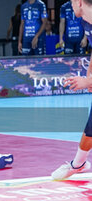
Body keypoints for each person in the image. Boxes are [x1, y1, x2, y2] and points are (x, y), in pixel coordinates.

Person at [51, 0, 92, 180]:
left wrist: (86, 82)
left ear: (79, 2)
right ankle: (78, 164)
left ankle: (78, 164)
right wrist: (89, 78)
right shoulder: (86, 22)